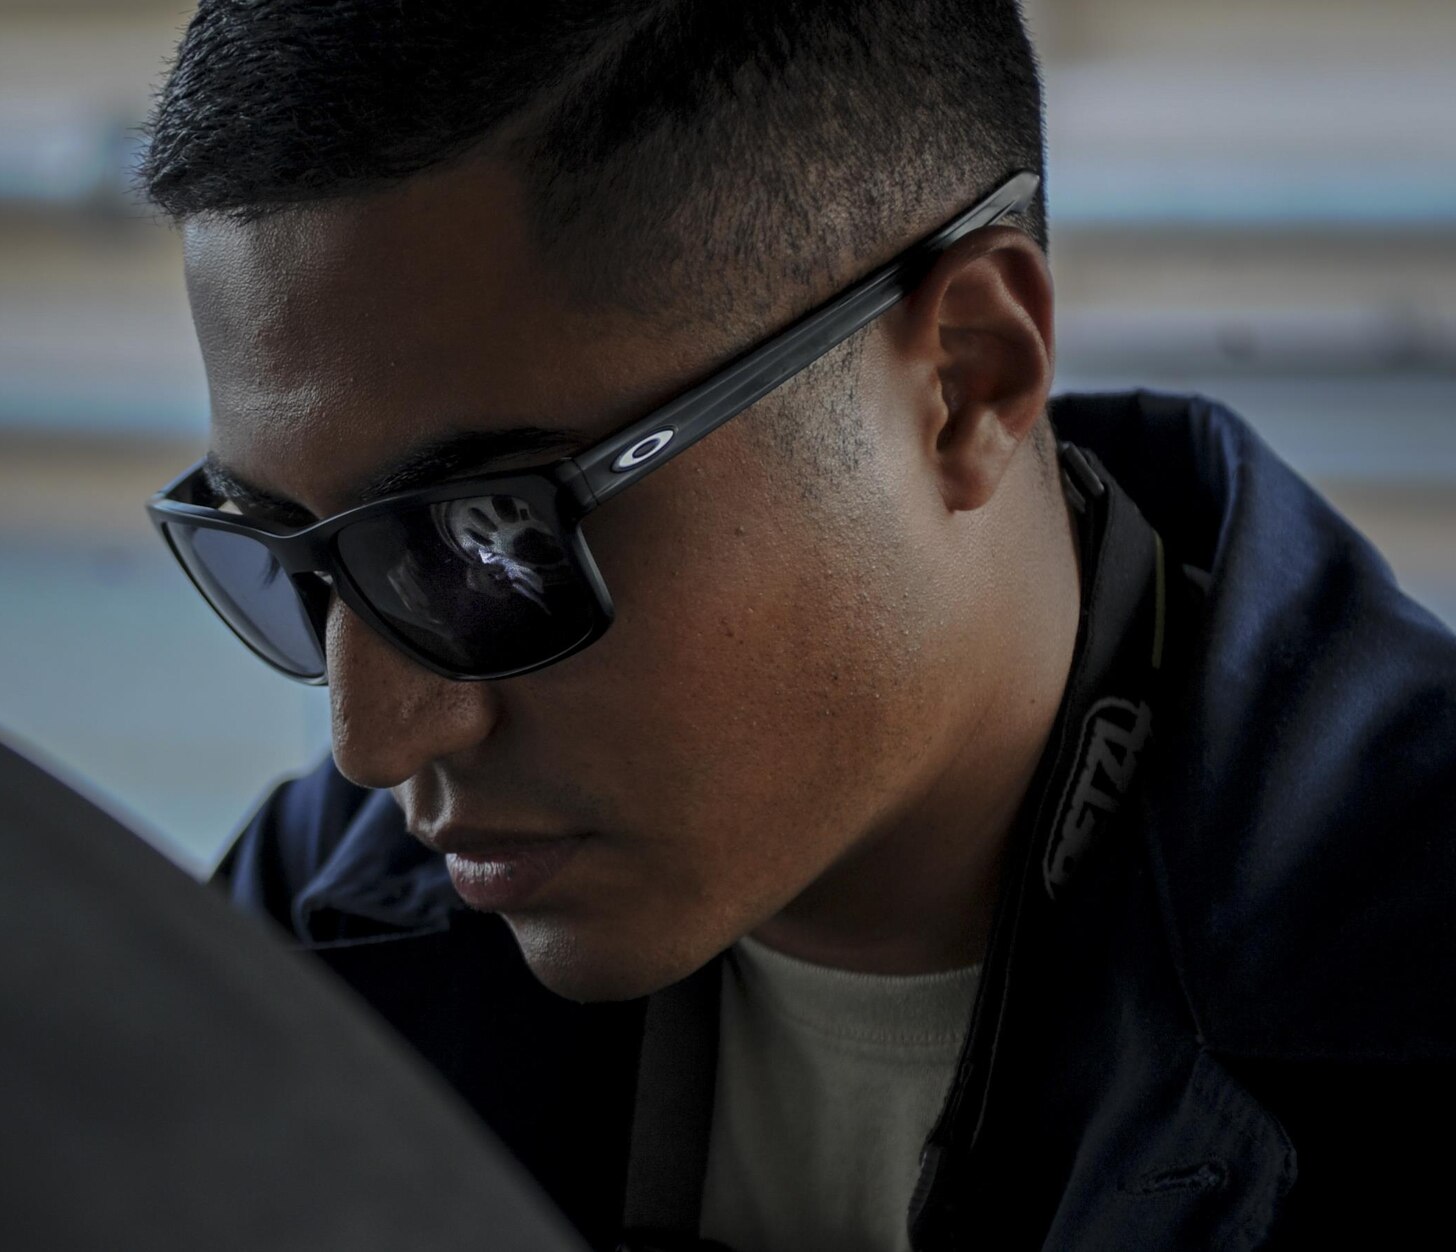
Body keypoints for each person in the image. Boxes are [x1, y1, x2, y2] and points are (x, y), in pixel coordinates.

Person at [135, 4, 1456, 1249]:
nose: (374, 739)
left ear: (964, 383)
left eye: (492, 539)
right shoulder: (324, 930)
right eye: (291, 558)